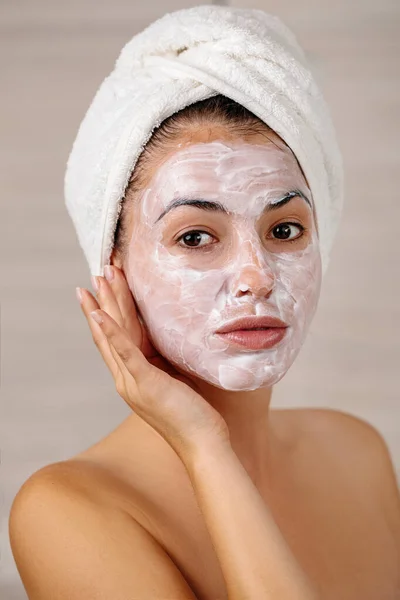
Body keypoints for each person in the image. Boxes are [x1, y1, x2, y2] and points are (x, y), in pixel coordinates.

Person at [9, 6, 400, 600]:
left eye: (285, 230)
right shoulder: (67, 513)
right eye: (195, 237)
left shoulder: (358, 454)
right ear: (113, 270)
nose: (256, 276)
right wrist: (203, 445)